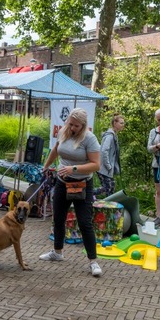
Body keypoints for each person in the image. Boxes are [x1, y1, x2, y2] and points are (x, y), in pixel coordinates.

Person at [39, 108, 103, 277]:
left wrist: (73, 168)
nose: (72, 127)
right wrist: (45, 166)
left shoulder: (89, 139)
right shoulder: (63, 132)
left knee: (84, 222)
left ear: (83, 125)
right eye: (70, 123)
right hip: (62, 183)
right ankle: (57, 252)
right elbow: (55, 150)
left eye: (76, 125)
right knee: (58, 218)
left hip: (82, 184)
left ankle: (93, 261)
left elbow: (96, 165)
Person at [94, 114, 125, 198]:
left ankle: (108, 207)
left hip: (106, 168)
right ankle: (89, 194)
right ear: (115, 123)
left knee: (110, 187)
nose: (123, 125)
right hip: (103, 168)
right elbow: (104, 151)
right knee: (108, 187)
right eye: (121, 123)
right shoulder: (110, 136)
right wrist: (109, 166)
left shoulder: (114, 135)